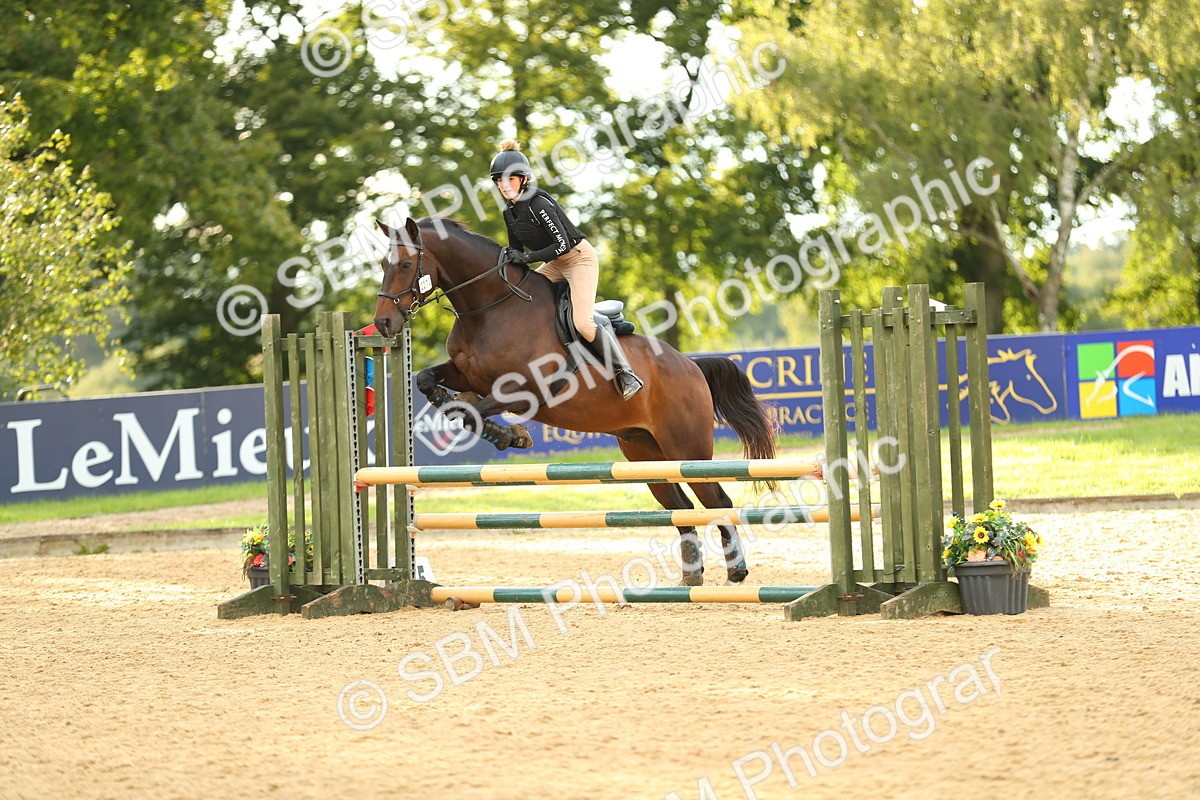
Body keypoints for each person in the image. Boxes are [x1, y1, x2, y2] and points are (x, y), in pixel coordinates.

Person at [489, 140, 643, 400]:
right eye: (498, 181)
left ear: (523, 179)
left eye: (509, 179)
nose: (503, 185)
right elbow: (516, 251)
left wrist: (526, 257)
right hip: (555, 263)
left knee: (582, 322)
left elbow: (561, 244)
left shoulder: (539, 204)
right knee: (522, 295)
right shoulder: (510, 212)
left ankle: (625, 372)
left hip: (578, 258)